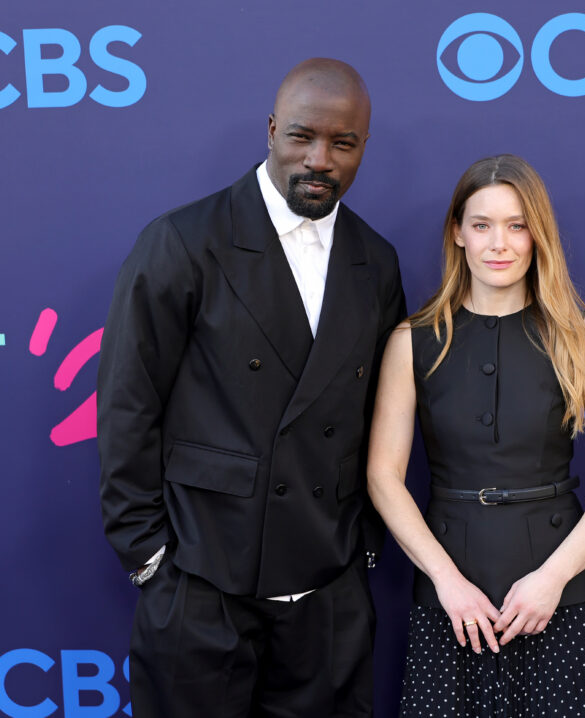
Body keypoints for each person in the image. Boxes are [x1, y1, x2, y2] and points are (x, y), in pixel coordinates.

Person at [97, 58, 406, 717]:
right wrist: (150, 557)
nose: (319, 159)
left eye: (342, 143)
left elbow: (380, 411)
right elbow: (128, 404)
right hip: (203, 585)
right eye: (301, 136)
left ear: (362, 148)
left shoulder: (374, 262)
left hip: (327, 594)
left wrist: (364, 547)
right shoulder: (183, 242)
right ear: (271, 130)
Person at [367, 154, 585, 716]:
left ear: (538, 236)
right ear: (458, 233)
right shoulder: (413, 341)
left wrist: (554, 580)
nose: (500, 243)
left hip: (564, 596)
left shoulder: (582, 337)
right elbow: (382, 476)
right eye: (482, 224)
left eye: (517, 226)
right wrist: (446, 581)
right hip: (452, 602)